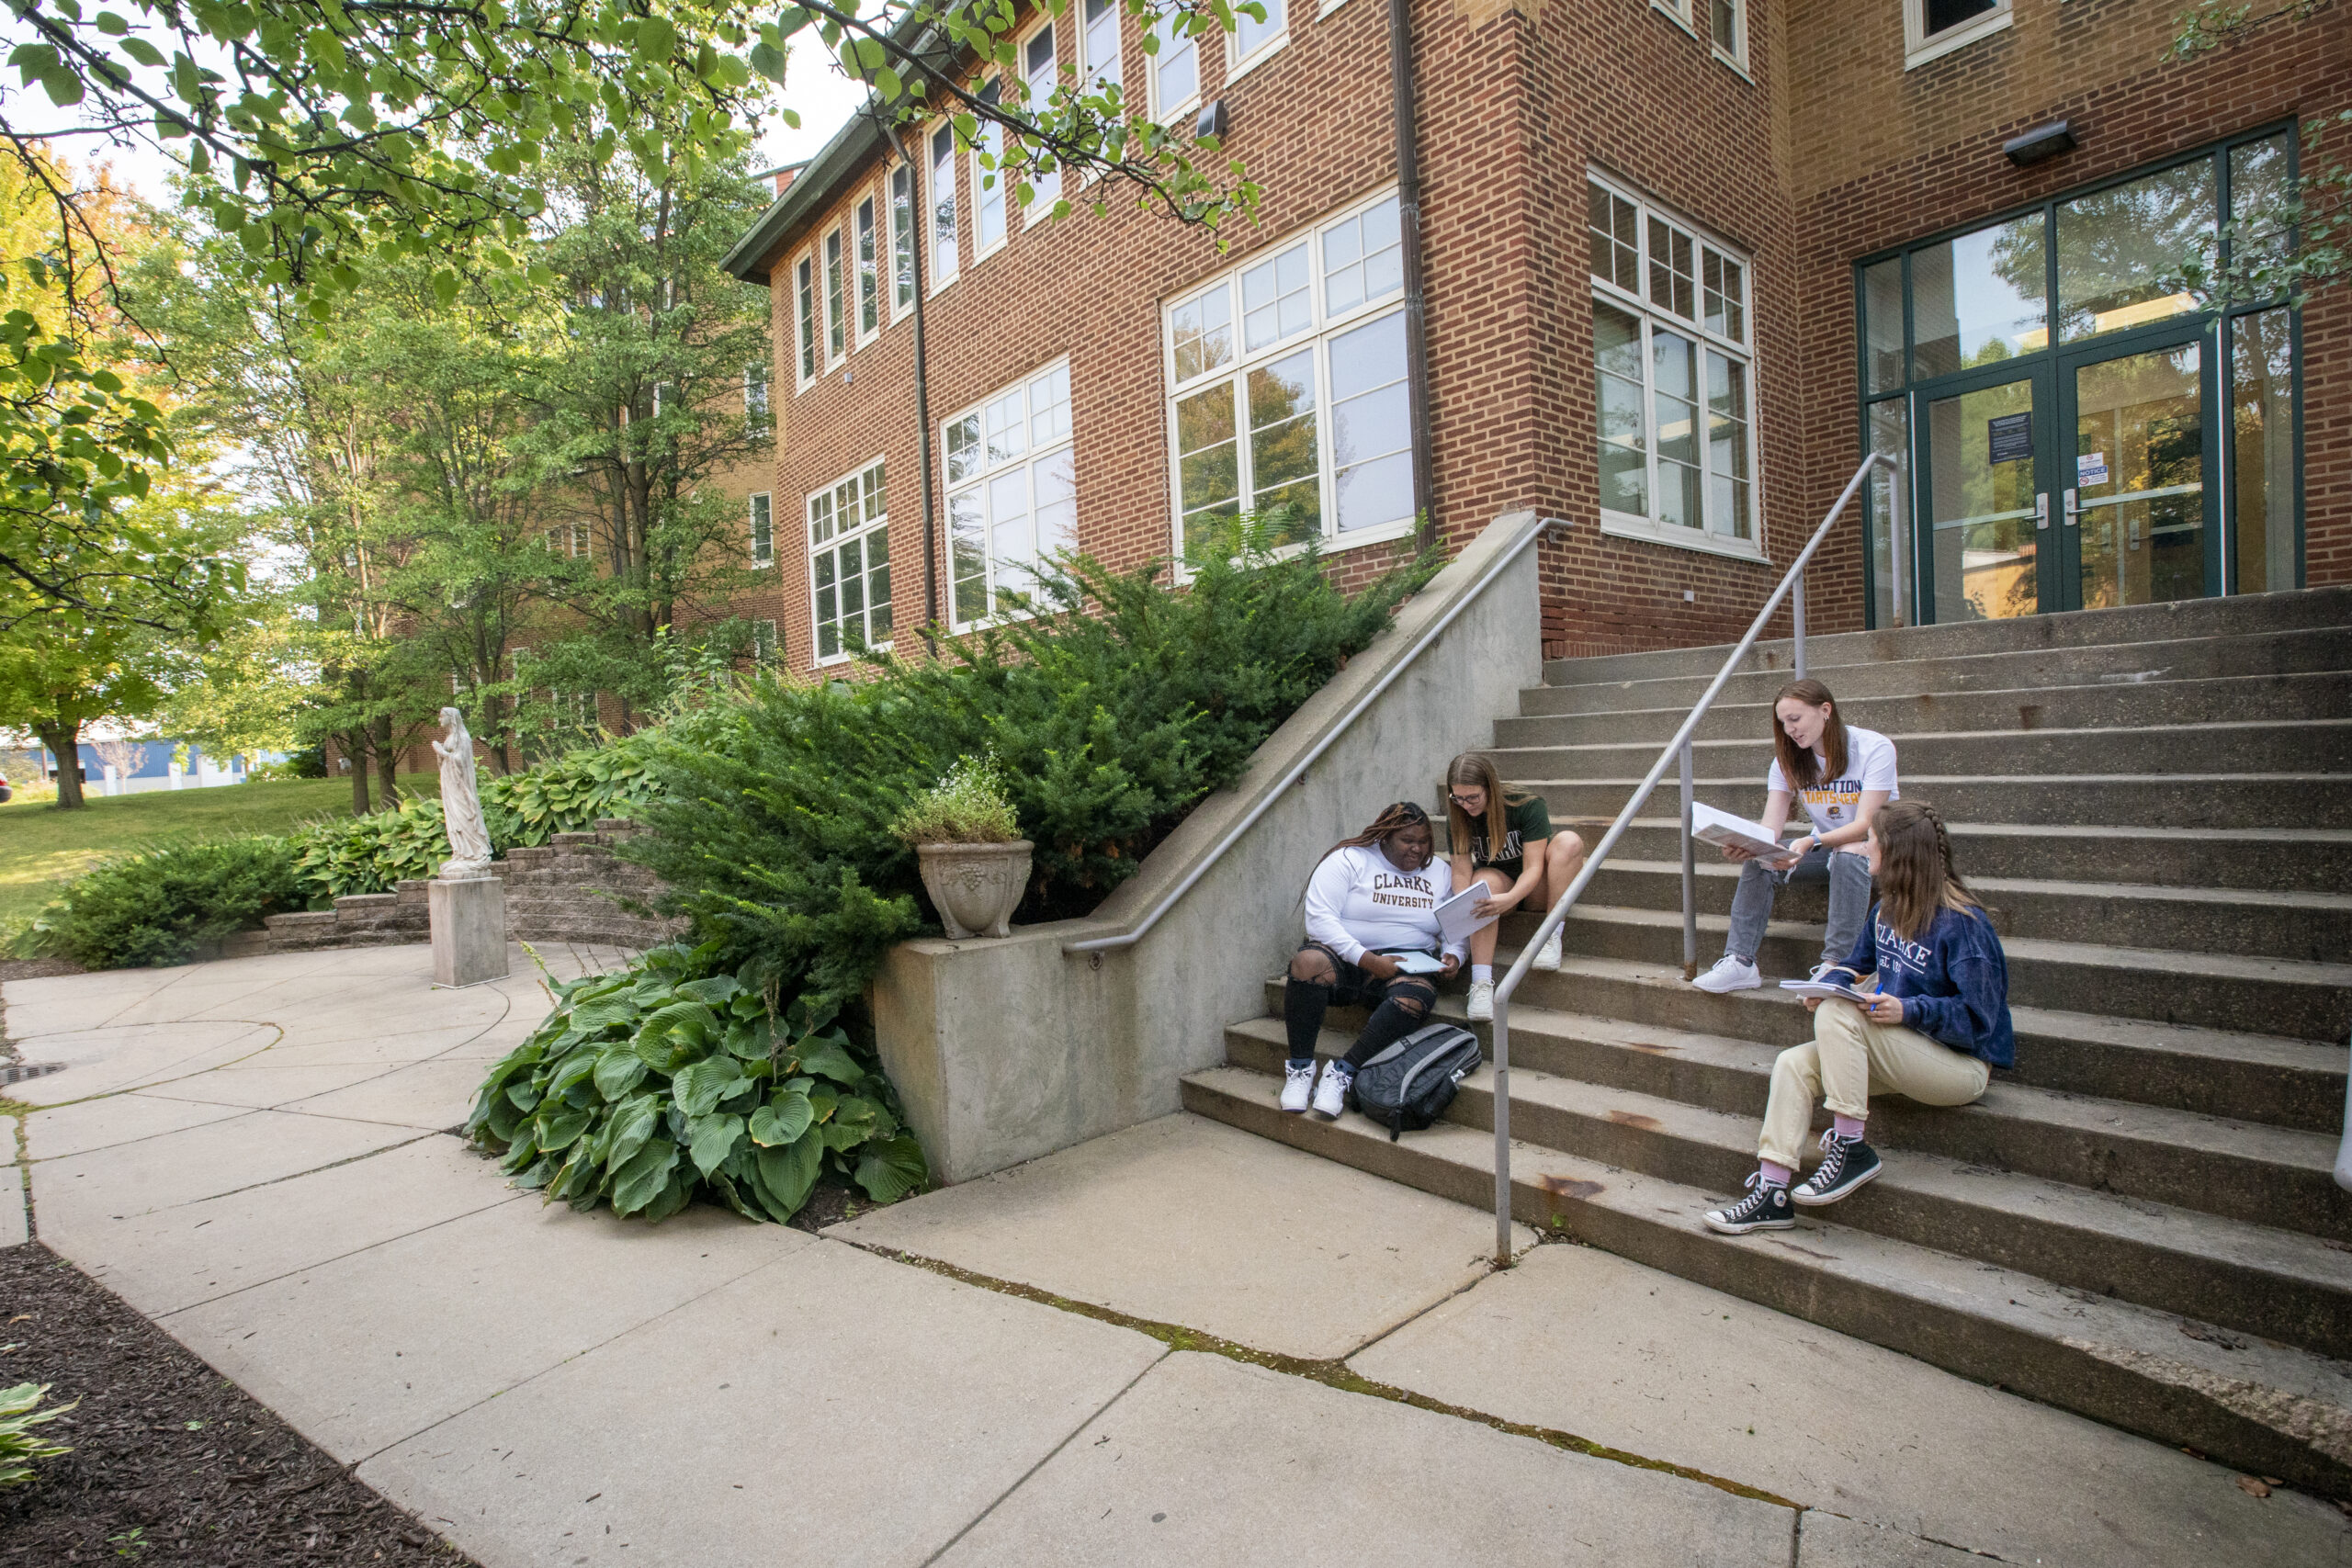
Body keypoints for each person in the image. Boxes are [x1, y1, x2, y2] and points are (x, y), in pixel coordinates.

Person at [1703, 800, 2012, 1235]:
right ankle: (1773, 1194)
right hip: (1902, 1051)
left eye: (1871, 841)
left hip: (1959, 1067)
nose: (1864, 848)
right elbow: (1857, 963)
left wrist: (1908, 1009)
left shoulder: (1964, 925)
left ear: (1898, 854)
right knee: (1792, 1063)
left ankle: (1850, 1146)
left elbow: (1980, 1020)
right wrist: (1831, 978)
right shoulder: (1886, 911)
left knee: (1838, 1011)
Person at [1691, 678, 1897, 994]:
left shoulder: (1874, 748)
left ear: (1825, 710)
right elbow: (1770, 829)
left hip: (1880, 849)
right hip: (1827, 848)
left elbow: (1866, 823)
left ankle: (1839, 967)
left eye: (1795, 719)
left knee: (1849, 849)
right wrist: (1749, 846)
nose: (1790, 730)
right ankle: (1740, 961)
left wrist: (1812, 841)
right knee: (1761, 862)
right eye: (1783, 723)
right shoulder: (1787, 762)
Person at [1284, 801, 1467, 1120]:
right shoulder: (1349, 859)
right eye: (1407, 840)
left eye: (1424, 841)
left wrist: (1455, 954)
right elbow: (1319, 921)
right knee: (1306, 963)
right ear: (1384, 837)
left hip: (1405, 964)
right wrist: (1367, 959)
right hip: (1347, 957)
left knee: (1415, 996)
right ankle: (1300, 1070)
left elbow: (1457, 922)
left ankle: (1343, 1072)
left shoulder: (1440, 872)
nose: (1417, 849)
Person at [1442, 753, 1587, 1021]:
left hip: (1535, 887)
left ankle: (1551, 934)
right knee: (1480, 884)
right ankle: (1481, 984)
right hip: (1499, 887)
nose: (1465, 805)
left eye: (1472, 797)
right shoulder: (1459, 816)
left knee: (1569, 841)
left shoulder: (1526, 805)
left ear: (1490, 787)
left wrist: (1510, 899)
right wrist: (1465, 905)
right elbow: (1461, 871)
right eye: (1458, 798)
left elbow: (1533, 867)